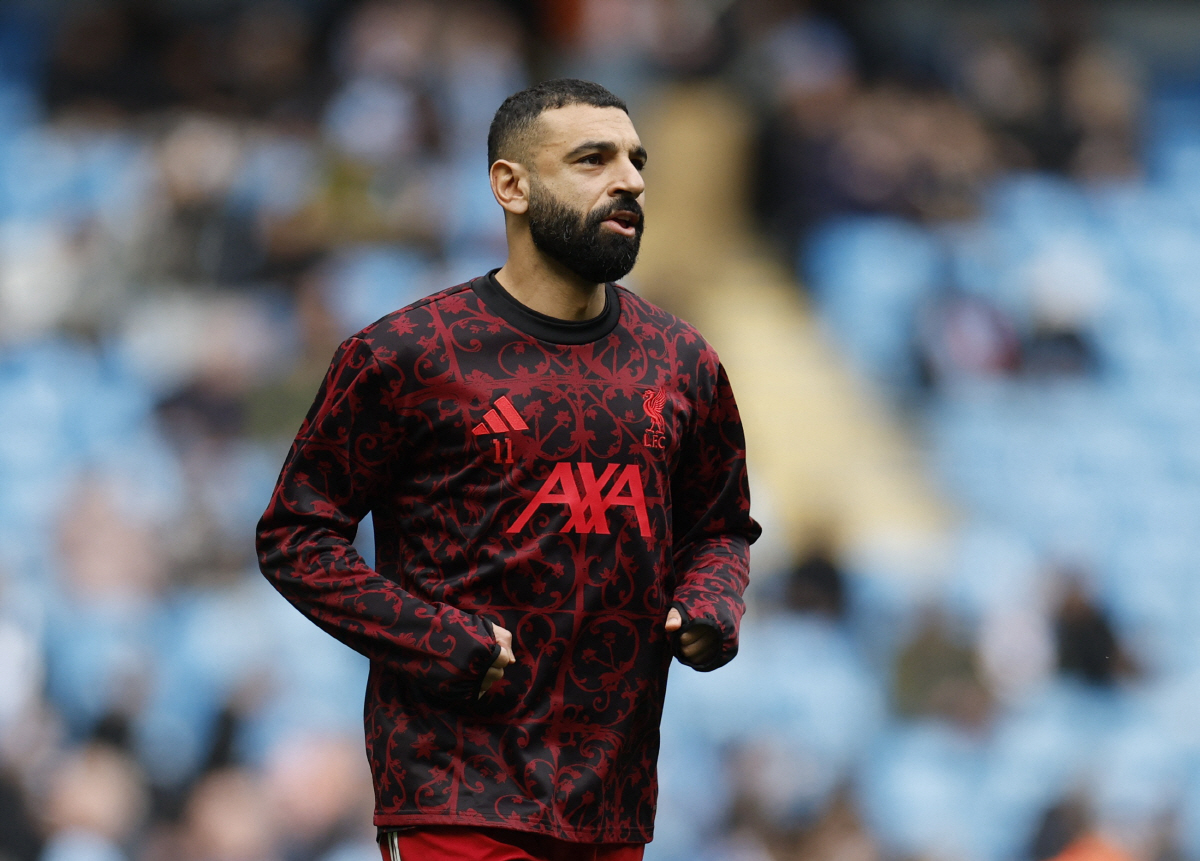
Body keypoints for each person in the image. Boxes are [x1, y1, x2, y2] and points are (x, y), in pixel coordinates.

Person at [256, 78, 760, 861]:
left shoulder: (683, 362)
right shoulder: (406, 354)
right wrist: (435, 638)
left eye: (636, 160)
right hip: (456, 788)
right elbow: (296, 535)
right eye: (593, 159)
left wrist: (709, 603)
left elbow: (720, 526)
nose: (629, 179)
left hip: (614, 797)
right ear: (510, 185)